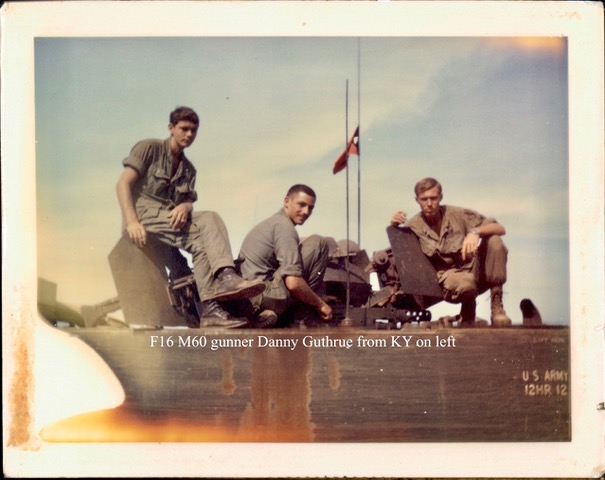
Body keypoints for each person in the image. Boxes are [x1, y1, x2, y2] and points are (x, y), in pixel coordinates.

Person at [115, 106, 265, 328]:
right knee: (206, 222)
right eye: (184, 129)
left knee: (202, 236)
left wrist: (186, 206)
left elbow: (187, 200)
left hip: (166, 221)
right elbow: (123, 184)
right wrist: (132, 222)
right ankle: (224, 278)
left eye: (193, 130)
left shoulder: (188, 170)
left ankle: (212, 304)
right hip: (143, 218)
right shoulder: (149, 148)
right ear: (171, 128)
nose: (189, 134)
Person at [390, 177, 512, 327]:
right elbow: (403, 256)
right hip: (450, 277)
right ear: (417, 200)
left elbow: (500, 229)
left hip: (474, 268)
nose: (429, 203)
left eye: (433, 198)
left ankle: (497, 305)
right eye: (424, 199)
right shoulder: (413, 226)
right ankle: (468, 306)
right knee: (466, 284)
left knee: (495, 241)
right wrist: (394, 226)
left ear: (440, 197)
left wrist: (475, 232)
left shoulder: (458, 215)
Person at [238, 184, 333, 328]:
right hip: (265, 296)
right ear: (287, 201)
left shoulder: (274, 223)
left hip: (248, 300)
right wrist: (320, 304)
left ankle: (264, 315)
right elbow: (293, 282)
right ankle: (303, 313)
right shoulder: (284, 227)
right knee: (318, 243)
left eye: (311, 207)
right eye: (301, 205)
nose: (306, 212)